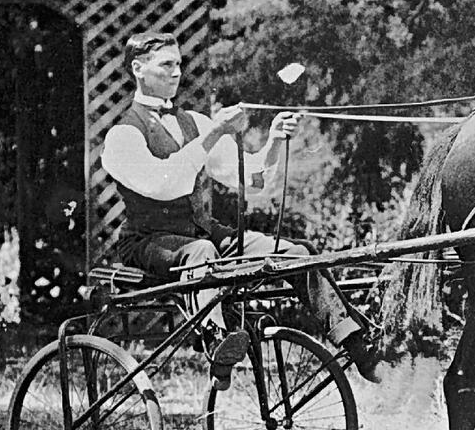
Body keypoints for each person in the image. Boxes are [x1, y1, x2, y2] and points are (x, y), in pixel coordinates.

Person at [99, 32, 369, 388]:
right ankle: (216, 341)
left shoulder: (194, 122)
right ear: (138, 69)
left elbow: (252, 179)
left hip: (202, 233)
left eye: (179, 64)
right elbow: (163, 183)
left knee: (295, 253)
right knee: (203, 251)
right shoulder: (123, 136)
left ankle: (355, 341)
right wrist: (215, 134)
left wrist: (273, 140)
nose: (177, 73)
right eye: (167, 64)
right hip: (149, 243)